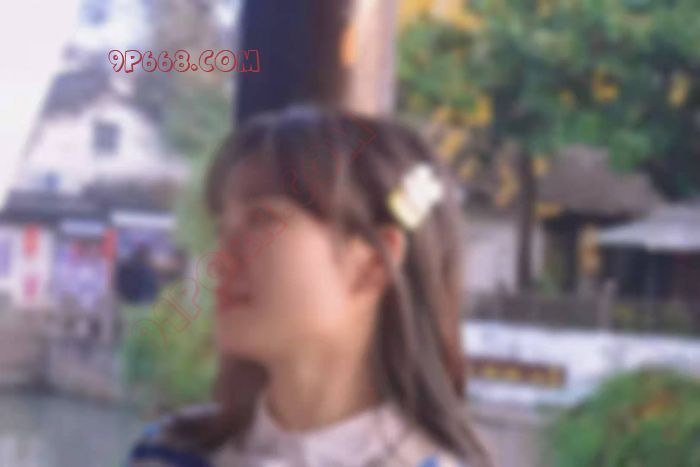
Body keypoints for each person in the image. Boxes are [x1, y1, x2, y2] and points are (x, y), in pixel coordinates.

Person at [125, 105, 491, 467]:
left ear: (373, 263)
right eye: (223, 229)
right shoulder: (165, 453)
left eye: (262, 218)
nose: (219, 260)